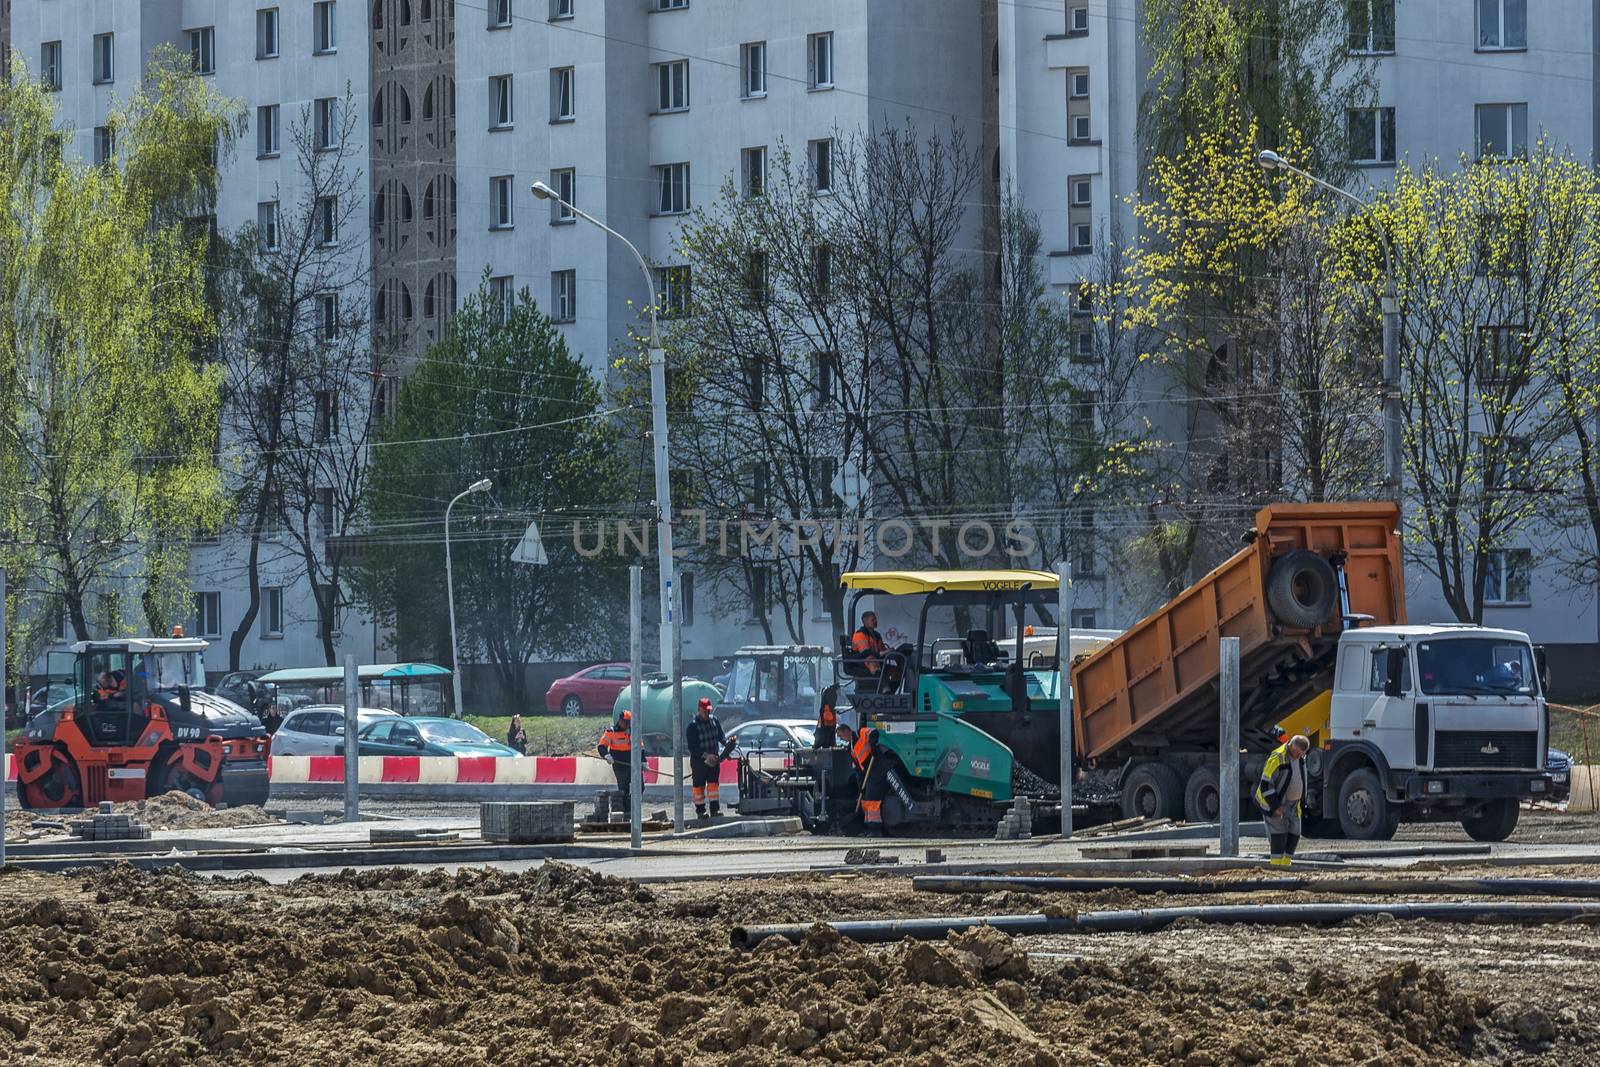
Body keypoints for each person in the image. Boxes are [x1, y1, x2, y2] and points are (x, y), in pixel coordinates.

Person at [1256, 733, 1310, 867]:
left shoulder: (1301, 758)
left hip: (1293, 804)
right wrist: (1275, 806)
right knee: (1278, 837)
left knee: (1295, 834)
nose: (1298, 757)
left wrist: (1303, 802)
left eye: (1301, 754)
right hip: (1274, 803)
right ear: (1291, 745)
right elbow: (1266, 784)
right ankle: (1276, 869)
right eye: (1296, 753)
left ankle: (1285, 866)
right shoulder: (1278, 757)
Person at [685, 696, 728, 819]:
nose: (707, 713)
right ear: (699, 709)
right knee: (699, 787)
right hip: (699, 763)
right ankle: (700, 811)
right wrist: (706, 756)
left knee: (713, 785)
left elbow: (721, 736)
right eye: (705, 711)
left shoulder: (714, 720)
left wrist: (727, 744)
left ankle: (715, 810)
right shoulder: (692, 727)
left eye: (709, 710)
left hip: (714, 761)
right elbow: (693, 748)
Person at [851, 724, 889, 836]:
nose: (841, 739)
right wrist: (861, 786)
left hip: (876, 770)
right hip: (869, 774)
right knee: (866, 800)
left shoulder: (861, 732)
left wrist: (873, 747)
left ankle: (875, 829)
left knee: (872, 801)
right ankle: (868, 827)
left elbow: (873, 732)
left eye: (840, 735)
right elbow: (859, 769)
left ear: (846, 731)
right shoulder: (852, 748)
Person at [597, 710, 635, 806]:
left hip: (633, 764)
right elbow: (601, 746)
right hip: (619, 765)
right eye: (625, 722)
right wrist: (606, 755)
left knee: (640, 786)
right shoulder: (611, 732)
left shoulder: (634, 732)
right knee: (624, 787)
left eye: (629, 722)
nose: (627, 725)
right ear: (620, 721)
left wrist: (643, 761)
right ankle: (626, 810)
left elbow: (641, 747)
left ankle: (632, 803)